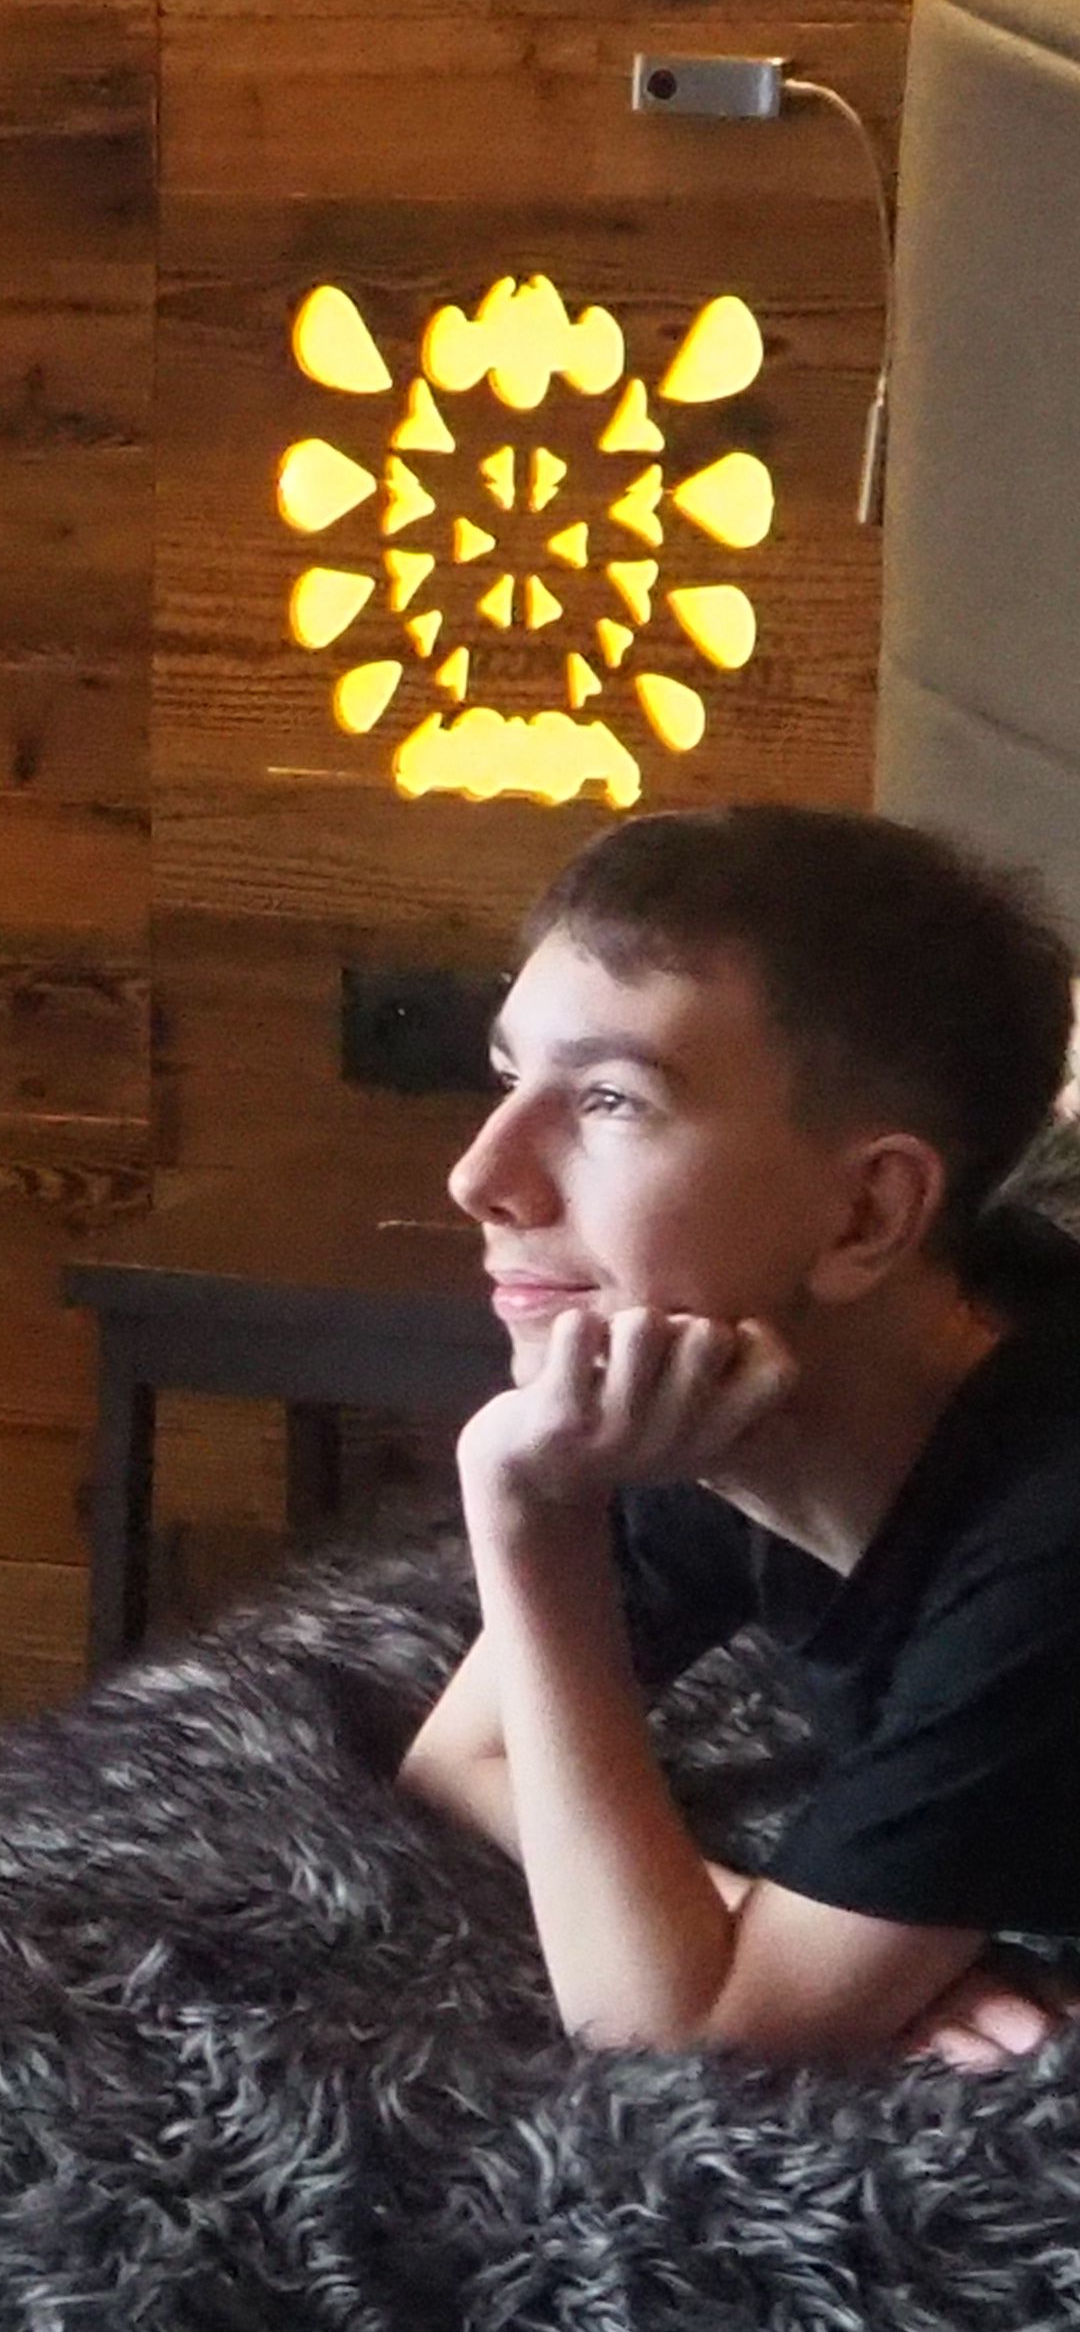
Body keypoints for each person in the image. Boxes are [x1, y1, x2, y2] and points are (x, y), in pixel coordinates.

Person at [400, 803, 1080, 2075]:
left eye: (611, 1098)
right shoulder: (738, 1381)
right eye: (507, 1081)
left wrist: (531, 1521)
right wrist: (762, 1924)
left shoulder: (1052, 1536)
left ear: (868, 1214)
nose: (480, 1177)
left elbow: (685, 2038)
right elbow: (460, 1757)